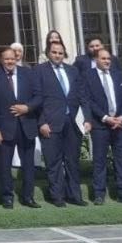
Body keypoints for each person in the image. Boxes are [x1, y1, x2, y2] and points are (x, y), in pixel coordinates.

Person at [35, 40, 89, 207]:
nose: (57, 55)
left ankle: (75, 195)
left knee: (72, 161)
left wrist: (87, 119)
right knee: (53, 162)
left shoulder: (73, 70)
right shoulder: (39, 71)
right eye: (54, 52)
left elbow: (82, 96)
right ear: (48, 53)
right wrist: (42, 122)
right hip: (50, 123)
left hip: (73, 122)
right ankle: (57, 196)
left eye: (60, 53)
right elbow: (36, 99)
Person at [0, 48, 40, 209]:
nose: (10, 61)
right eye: (6, 59)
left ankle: (28, 197)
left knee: (28, 165)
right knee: (4, 165)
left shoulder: (28, 73)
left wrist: (27, 107)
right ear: (1, 59)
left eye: (12, 59)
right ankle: (7, 197)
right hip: (4, 128)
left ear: (16, 59)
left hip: (26, 125)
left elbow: (39, 96)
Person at [82, 48, 122, 204]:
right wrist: (105, 118)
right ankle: (99, 194)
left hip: (120, 124)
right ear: (96, 60)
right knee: (99, 160)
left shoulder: (119, 74)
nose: (107, 61)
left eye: (108, 59)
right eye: (103, 58)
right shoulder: (88, 76)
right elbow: (88, 100)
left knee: (121, 159)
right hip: (100, 125)